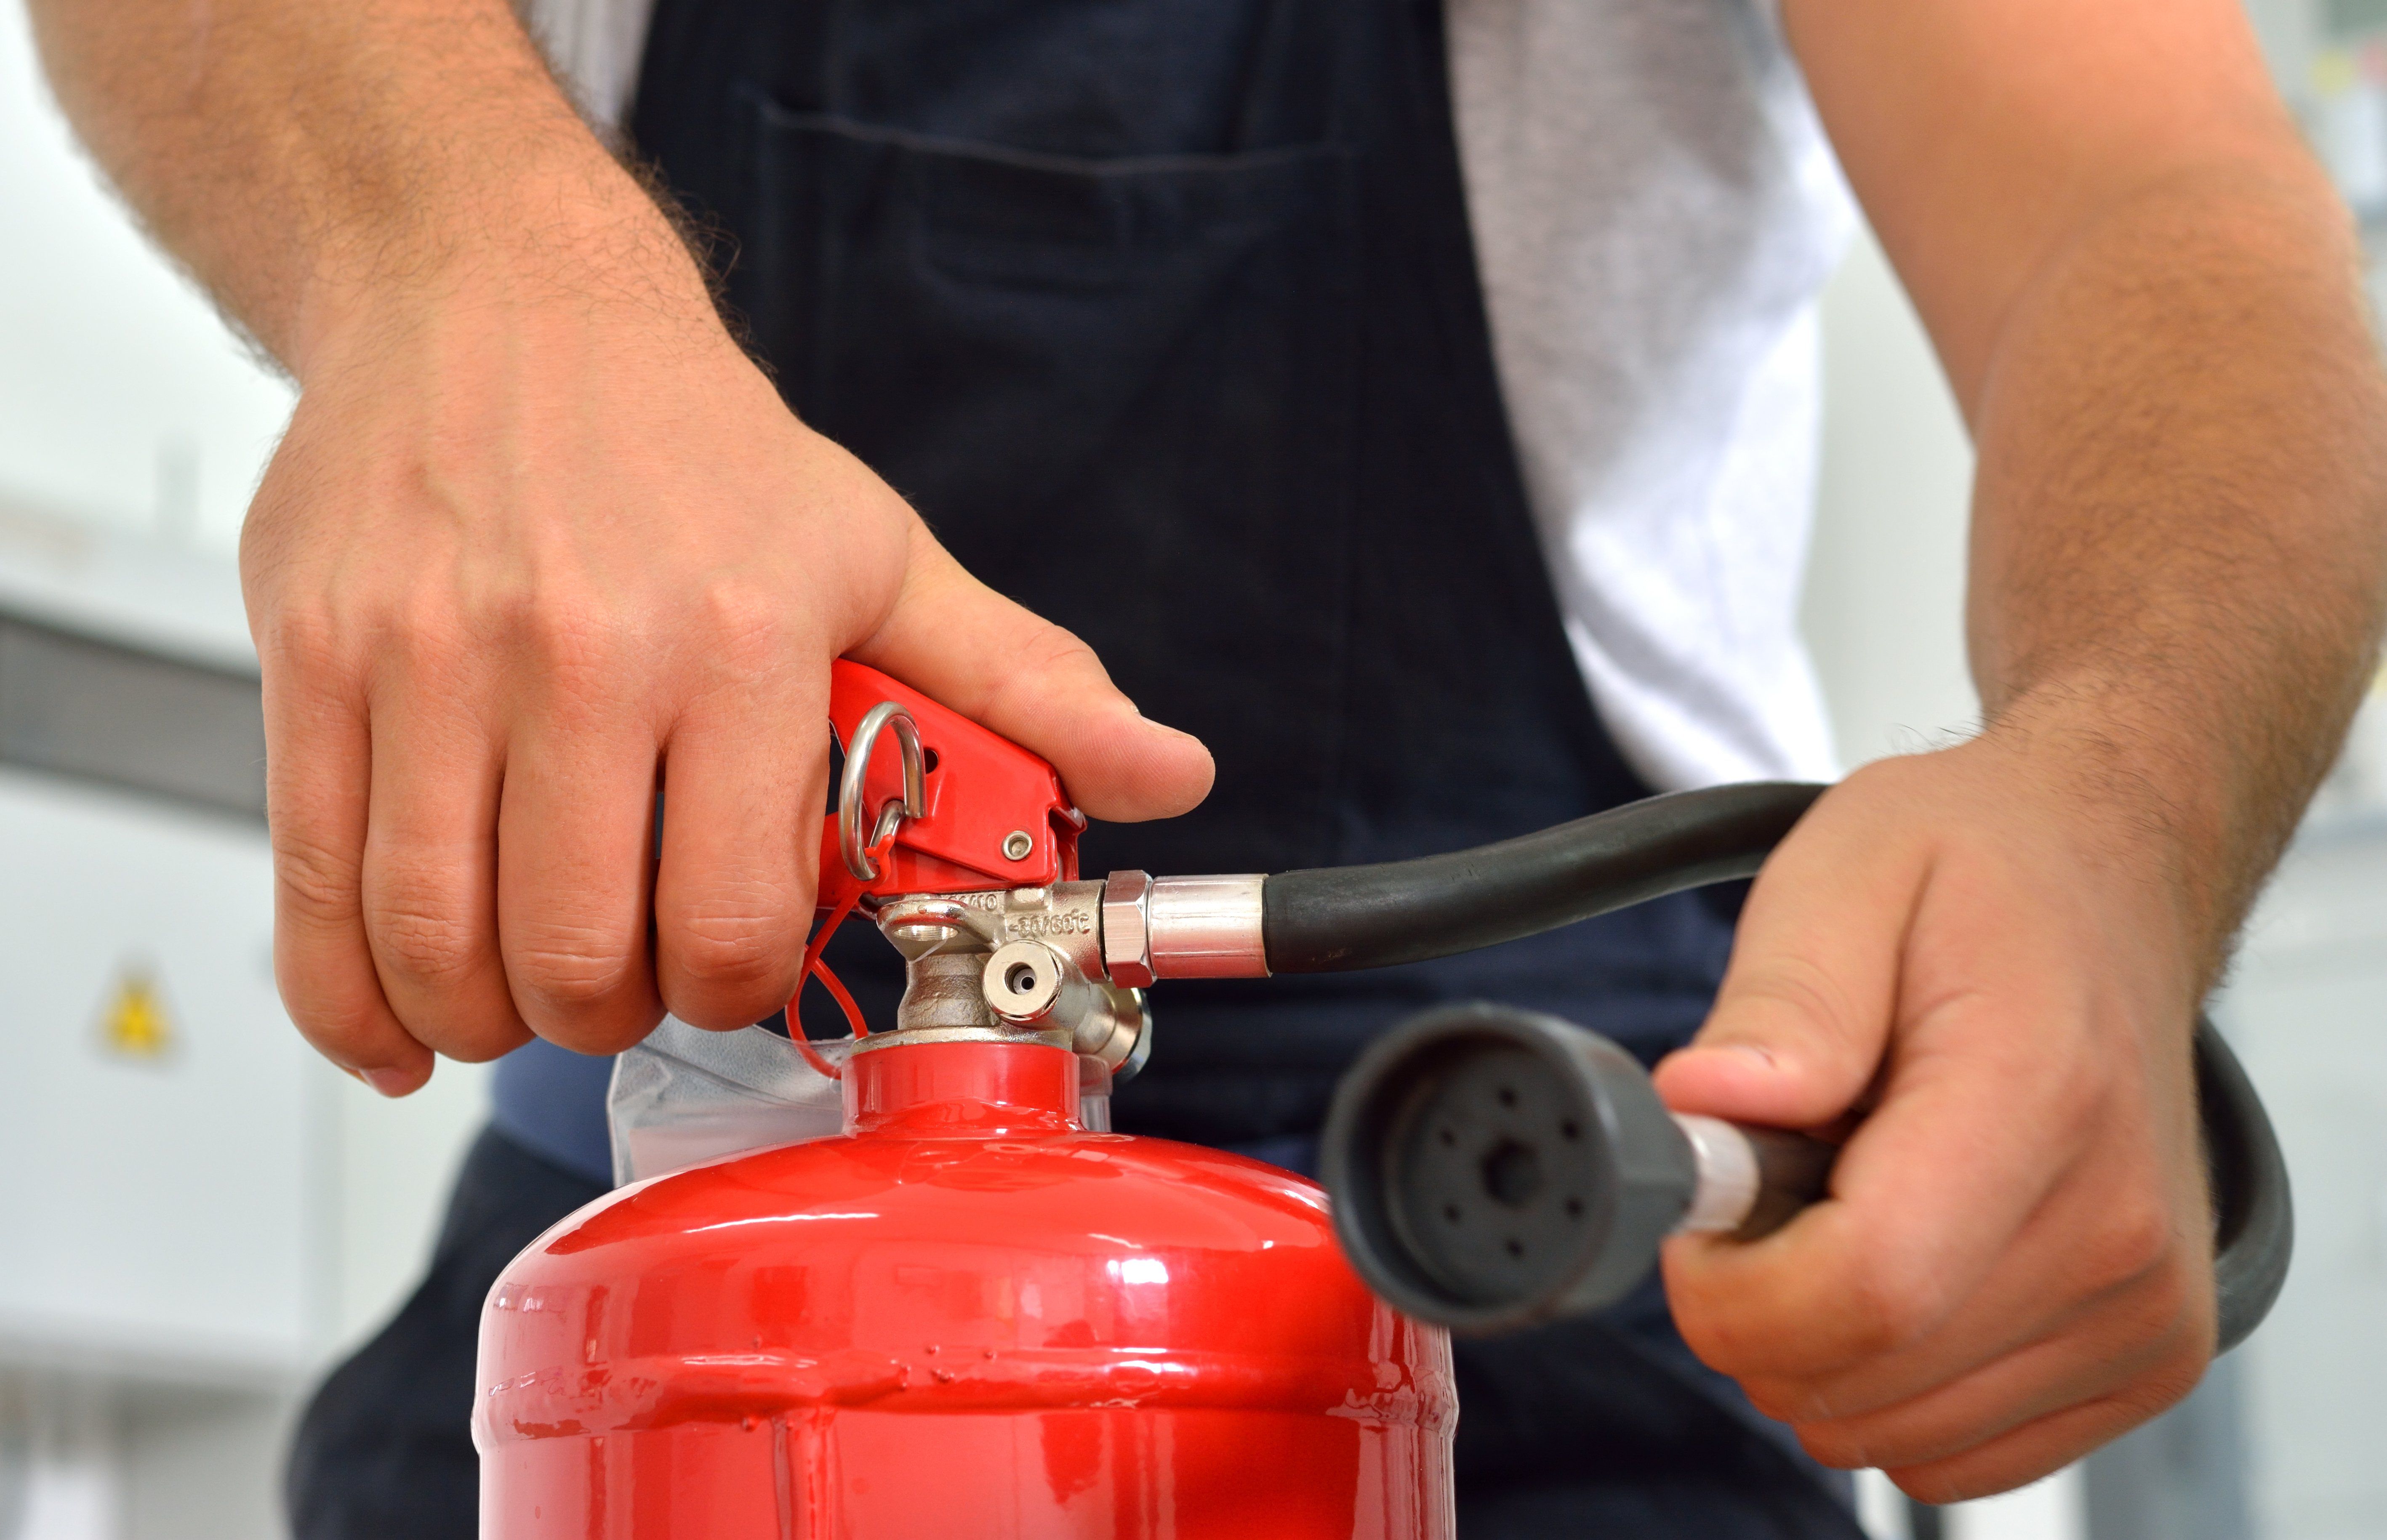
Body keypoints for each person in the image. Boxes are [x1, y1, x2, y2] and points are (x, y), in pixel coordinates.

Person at [29, 0, 2387, 1532]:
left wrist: (2117, 783)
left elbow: (2143, 196)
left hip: (1524, 1206)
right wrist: (462, 265)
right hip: (677, 1165)